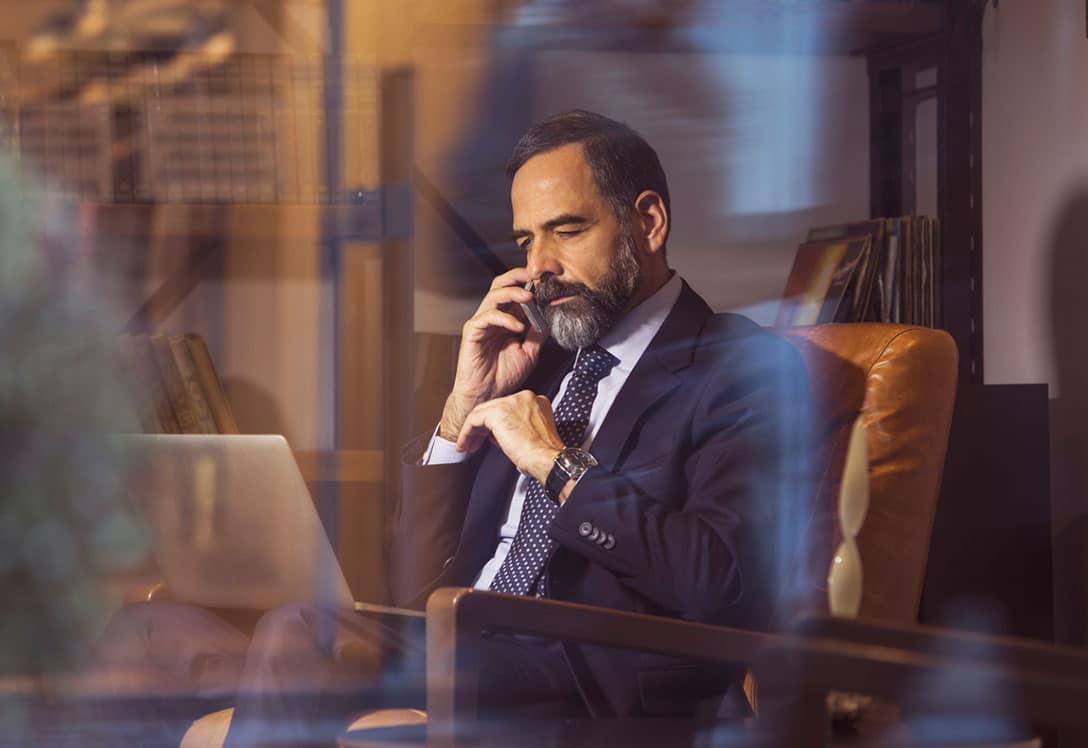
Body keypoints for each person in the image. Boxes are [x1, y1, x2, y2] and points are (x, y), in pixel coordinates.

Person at [89, 109, 813, 746]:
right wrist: (460, 411)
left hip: (592, 673)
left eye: (567, 230)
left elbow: (723, 579)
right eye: (526, 240)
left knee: (297, 631)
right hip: (455, 642)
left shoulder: (739, 367)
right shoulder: (535, 358)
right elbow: (415, 584)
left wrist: (558, 466)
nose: (540, 268)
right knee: (146, 633)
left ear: (648, 222)